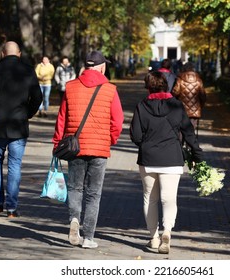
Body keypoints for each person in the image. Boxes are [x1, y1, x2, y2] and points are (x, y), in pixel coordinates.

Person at [52, 50, 124, 249]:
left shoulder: (70, 87)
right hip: (99, 148)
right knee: (94, 193)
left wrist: (57, 141)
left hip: (75, 146)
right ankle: (88, 237)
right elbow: (117, 120)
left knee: (75, 188)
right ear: (102, 67)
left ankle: (74, 219)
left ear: (86, 66)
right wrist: (110, 139)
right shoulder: (110, 89)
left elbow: (62, 118)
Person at [129, 71, 204, 254]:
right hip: (172, 158)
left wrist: (147, 144)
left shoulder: (141, 106)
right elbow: (188, 133)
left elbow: (136, 135)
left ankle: (154, 238)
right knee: (169, 199)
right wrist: (197, 154)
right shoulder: (177, 106)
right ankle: (167, 232)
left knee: (150, 198)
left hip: (148, 159)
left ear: (148, 87)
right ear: (166, 85)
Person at [0, 41, 43, 218]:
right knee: (15, 165)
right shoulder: (28, 70)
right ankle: (12, 208)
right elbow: (37, 97)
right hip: (19, 125)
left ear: (2, 54)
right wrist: (27, 113)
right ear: (19, 54)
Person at [172, 62, 207, 132]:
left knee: (181, 130)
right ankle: (190, 142)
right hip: (194, 111)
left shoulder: (180, 79)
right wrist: (200, 106)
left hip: (181, 109)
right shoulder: (199, 81)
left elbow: (175, 93)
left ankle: (181, 142)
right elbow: (203, 96)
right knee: (191, 131)